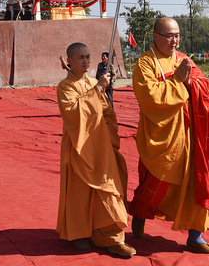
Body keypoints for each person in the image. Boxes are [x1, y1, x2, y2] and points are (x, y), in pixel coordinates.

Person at [129, 17, 209, 255]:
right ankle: (140, 212)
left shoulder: (183, 59)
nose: (175, 40)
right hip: (163, 134)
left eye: (177, 35)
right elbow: (150, 97)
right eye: (169, 35)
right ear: (156, 36)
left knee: (196, 180)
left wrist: (191, 83)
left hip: (190, 133)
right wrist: (179, 81)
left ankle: (195, 235)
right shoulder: (145, 63)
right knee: (158, 181)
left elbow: (206, 85)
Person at [55, 43, 136, 258]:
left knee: (108, 189)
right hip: (79, 145)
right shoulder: (65, 87)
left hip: (100, 146)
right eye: (80, 57)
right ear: (69, 60)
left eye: (88, 56)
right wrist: (98, 89)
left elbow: (107, 112)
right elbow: (73, 114)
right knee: (80, 193)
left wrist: (110, 136)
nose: (86, 61)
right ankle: (79, 233)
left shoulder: (93, 82)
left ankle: (111, 237)